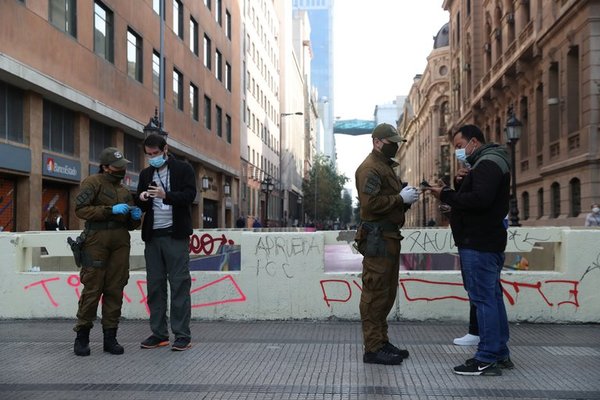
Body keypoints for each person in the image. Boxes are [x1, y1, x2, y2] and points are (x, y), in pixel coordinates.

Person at [426, 124, 513, 376]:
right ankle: (500, 353)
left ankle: (486, 357)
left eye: (459, 146)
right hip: (486, 241)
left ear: (474, 142)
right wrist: (459, 182)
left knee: (484, 299)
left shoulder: (487, 164)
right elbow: (478, 195)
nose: (458, 152)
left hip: (479, 243)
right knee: (492, 298)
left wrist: (446, 194)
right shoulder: (486, 163)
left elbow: (478, 201)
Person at [354, 123, 419, 365]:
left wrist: (404, 200)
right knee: (375, 293)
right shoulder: (370, 168)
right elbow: (370, 205)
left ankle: (381, 340)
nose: (395, 145)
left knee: (387, 293)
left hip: (388, 237)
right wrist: (399, 198)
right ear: (377, 142)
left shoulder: (384, 167)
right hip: (377, 238)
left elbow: (386, 204)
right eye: (391, 141)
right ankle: (372, 348)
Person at [72, 147, 142, 356]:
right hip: (96, 241)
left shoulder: (123, 190)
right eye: (117, 167)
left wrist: (135, 217)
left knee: (115, 288)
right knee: (93, 288)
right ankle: (82, 336)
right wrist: (109, 210)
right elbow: (81, 209)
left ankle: (110, 338)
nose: (121, 170)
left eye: (123, 167)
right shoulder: (92, 183)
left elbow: (130, 225)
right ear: (105, 167)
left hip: (120, 242)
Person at [136, 133, 197, 351]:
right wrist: (142, 198)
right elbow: (141, 205)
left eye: (156, 153)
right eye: (149, 154)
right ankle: (159, 334)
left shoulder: (183, 170)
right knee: (155, 286)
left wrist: (166, 195)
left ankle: (182, 335)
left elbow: (190, 196)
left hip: (175, 235)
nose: (153, 157)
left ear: (165, 149)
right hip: (153, 237)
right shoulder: (145, 174)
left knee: (179, 284)